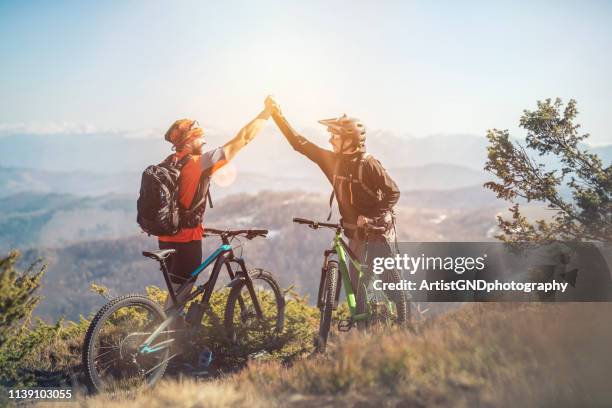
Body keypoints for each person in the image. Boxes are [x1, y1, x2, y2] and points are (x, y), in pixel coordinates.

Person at [265, 96, 400, 290]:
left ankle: (397, 315)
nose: (330, 140)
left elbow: (393, 192)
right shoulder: (332, 161)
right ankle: (363, 320)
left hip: (376, 232)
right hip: (354, 233)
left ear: (349, 139)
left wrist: (370, 218)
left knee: (385, 286)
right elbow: (299, 143)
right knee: (356, 287)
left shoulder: (369, 164)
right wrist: (277, 115)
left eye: (334, 136)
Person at [158, 101, 272, 309]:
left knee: (175, 294)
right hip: (187, 241)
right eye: (200, 137)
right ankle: (165, 339)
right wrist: (266, 114)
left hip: (165, 237)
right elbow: (243, 138)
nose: (204, 141)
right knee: (179, 298)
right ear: (189, 141)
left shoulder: (169, 162)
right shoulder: (199, 163)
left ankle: (167, 333)